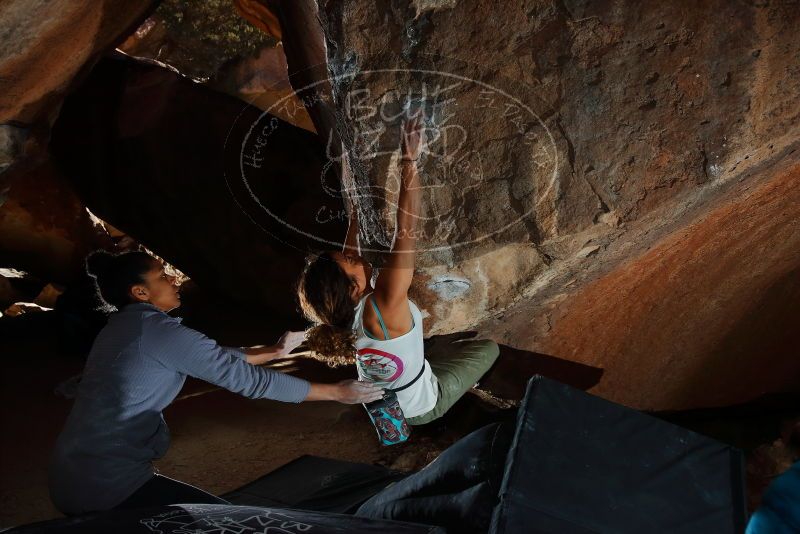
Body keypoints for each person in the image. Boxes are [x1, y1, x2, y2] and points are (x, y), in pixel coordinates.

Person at [49, 250, 383, 516]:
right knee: (230, 525)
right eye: (162, 276)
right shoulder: (159, 333)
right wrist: (336, 392)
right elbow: (250, 382)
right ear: (140, 292)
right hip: (105, 481)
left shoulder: (124, 329)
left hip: (75, 471)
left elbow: (213, 357)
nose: (174, 279)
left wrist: (277, 350)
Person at [297, 115, 500, 426]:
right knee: (488, 349)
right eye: (350, 260)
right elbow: (406, 229)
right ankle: (444, 386)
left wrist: (355, 205)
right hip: (422, 408)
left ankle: (426, 359)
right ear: (353, 287)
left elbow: (352, 249)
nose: (355, 256)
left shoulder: (340, 314)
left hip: (387, 405)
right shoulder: (385, 304)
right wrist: (409, 160)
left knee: (425, 351)